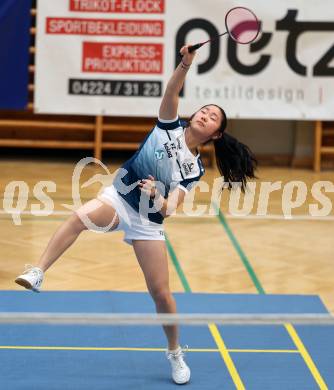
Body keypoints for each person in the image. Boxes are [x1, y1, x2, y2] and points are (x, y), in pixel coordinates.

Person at [15, 45, 257, 384]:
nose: (204, 115)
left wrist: (157, 197)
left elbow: (171, 208)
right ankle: (38, 271)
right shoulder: (167, 125)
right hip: (118, 200)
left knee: (162, 295)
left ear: (216, 134)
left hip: (147, 221)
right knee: (79, 217)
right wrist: (185, 63)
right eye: (203, 110)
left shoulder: (193, 169)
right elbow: (172, 89)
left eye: (213, 117)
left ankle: (174, 352)